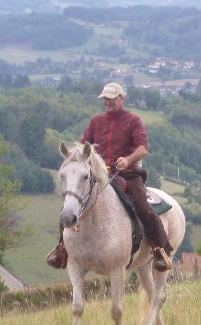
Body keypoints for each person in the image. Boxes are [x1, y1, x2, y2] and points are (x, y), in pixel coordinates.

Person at [46, 82, 173, 272]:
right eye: (106, 99)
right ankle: (62, 248)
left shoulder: (134, 120)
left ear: (122, 99)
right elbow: (83, 147)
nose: (108, 102)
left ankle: (158, 249)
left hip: (128, 174)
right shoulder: (96, 121)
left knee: (142, 206)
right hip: (100, 175)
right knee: (70, 205)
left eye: (112, 99)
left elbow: (142, 148)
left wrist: (128, 160)